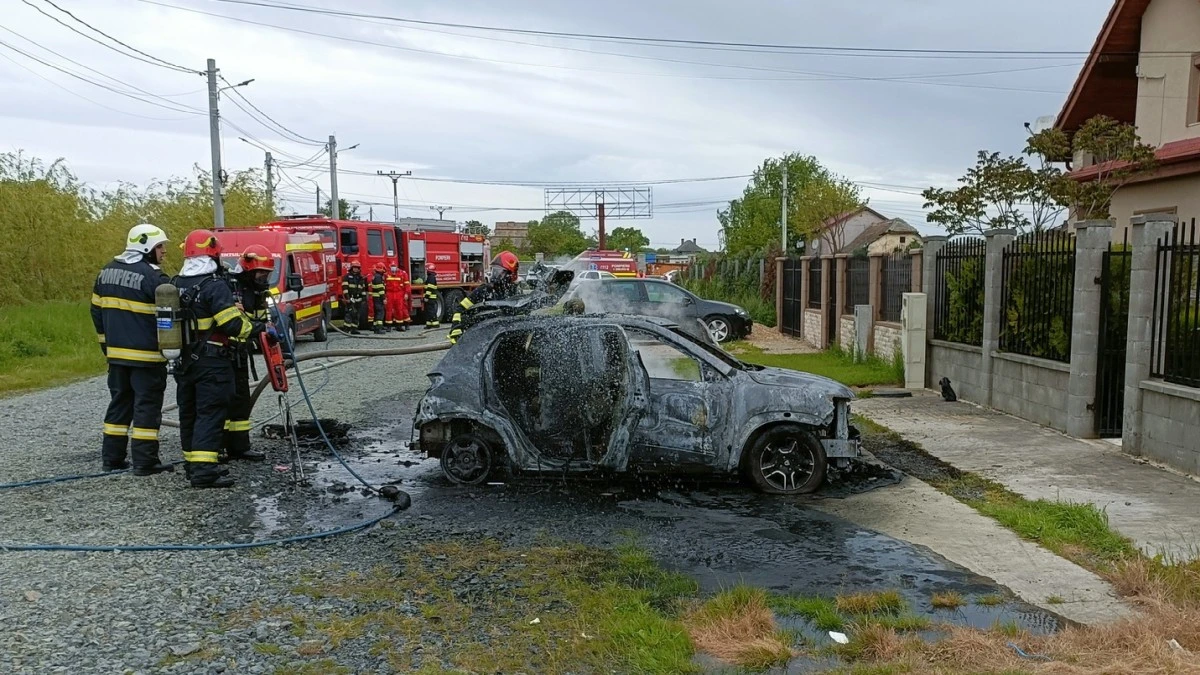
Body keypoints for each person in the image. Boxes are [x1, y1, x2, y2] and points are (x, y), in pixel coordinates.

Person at [173, 230, 270, 489]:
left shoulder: (175, 283)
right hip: (212, 362)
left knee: (189, 413)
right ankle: (205, 471)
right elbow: (231, 324)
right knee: (210, 413)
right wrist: (260, 330)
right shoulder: (215, 286)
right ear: (214, 255)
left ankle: (192, 466)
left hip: (183, 362)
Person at [91, 223, 175, 475]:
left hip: (116, 355)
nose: (163, 252)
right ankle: (145, 462)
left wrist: (106, 344)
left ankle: (112, 459)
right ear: (146, 246)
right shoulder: (154, 277)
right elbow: (170, 317)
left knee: (119, 404)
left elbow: (96, 311)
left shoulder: (105, 272)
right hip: (146, 357)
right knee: (146, 408)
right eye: (160, 246)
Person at [223, 244, 273, 463]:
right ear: (249, 269)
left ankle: (240, 447)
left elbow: (261, 319)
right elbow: (233, 321)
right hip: (224, 353)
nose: (264, 277)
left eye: (267, 273)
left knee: (242, 400)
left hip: (242, 352)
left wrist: (269, 332)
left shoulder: (258, 290)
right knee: (223, 400)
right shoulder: (230, 286)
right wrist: (259, 328)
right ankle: (219, 447)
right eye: (261, 272)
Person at [447, 251, 519, 344]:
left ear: (511, 274)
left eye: (499, 272)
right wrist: (456, 328)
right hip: (482, 335)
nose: (495, 275)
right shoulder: (484, 290)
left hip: (504, 336)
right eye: (494, 271)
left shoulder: (514, 293)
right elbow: (460, 309)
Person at [341, 259, 366, 334]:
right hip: (350, 298)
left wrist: (364, 298)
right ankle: (346, 329)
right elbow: (344, 288)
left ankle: (354, 329)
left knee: (357, 314)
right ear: (351, 268)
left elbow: (363, 288)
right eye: (354, 267)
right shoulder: (347, 277)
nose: (355, 269)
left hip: (358, 299)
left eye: (357, 267)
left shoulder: (361, 278)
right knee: (349, 314)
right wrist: (347, 298)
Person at [384, 265, 411, 332]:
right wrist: (384, 296)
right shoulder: (386, 274)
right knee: (389, 310)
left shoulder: (402, 273)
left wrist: (406, 293)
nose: (393, 271)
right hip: (389, 293)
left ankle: (399, 326)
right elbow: (383, 285)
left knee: (399, 309)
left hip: (399, 293)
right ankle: (388, 327)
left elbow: (407, 284)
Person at [369, 263, 388, 335]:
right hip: (379, 298)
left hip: (376, 298)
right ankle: (379, 328)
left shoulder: (375, 276)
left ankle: (375, 327)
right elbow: (380, 289)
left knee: (377, 313)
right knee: (380, 313)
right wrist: (383, 298)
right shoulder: (378, 277)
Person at [423, 263, 441, 330]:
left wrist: (427, 297)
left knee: (431, 311)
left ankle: (435, 324)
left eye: (426, 269)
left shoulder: (431, 278)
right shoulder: (431, 277)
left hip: (430, 298)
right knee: (429, 311)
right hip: (431, 297)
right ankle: (429, 324)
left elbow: (430, 288)